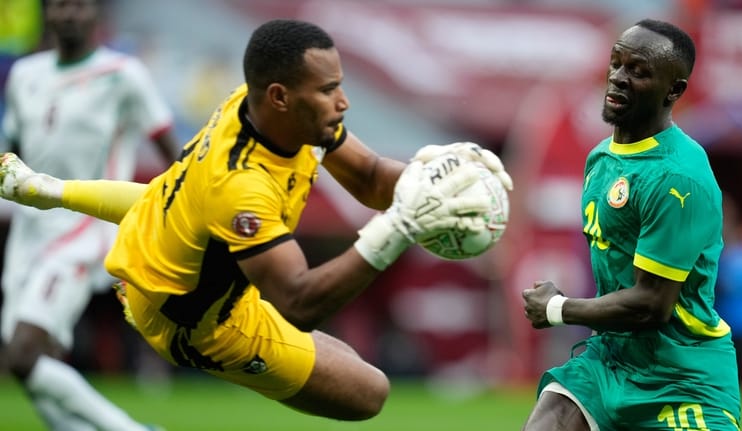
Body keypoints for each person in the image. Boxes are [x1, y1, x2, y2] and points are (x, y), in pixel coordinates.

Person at [0, 18, 512, 421]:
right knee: (367, 392)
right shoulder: (242, 187)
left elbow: (372, 177)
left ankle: (45, 189)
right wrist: (397, 228)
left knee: (170, 206)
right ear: (280, 97)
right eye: (328, 89)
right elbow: (297, 303)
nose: (344, 101)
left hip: (166, 237)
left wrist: (439, 177)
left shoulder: (272, 112)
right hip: (194, 321)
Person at [521, 19, 741, 430]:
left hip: (680, 375)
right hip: (609, 359)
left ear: (673, 90)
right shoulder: (601, 158)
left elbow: (651, 305)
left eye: (638, 71)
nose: (618, 79)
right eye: (616, 64)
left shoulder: (679, 177)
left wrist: (557, 308)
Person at [0, 0, 179, 430]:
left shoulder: (123, 75)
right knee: (26, 364)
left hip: (83, 227)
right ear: (47, 14)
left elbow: (170, 149)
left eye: (79, 6)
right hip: (28, 232)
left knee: (25, 354)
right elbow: (13, 155)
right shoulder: (25, 75)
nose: (69, 15)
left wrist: (182, 213)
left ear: (97, 15)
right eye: (60, 6)